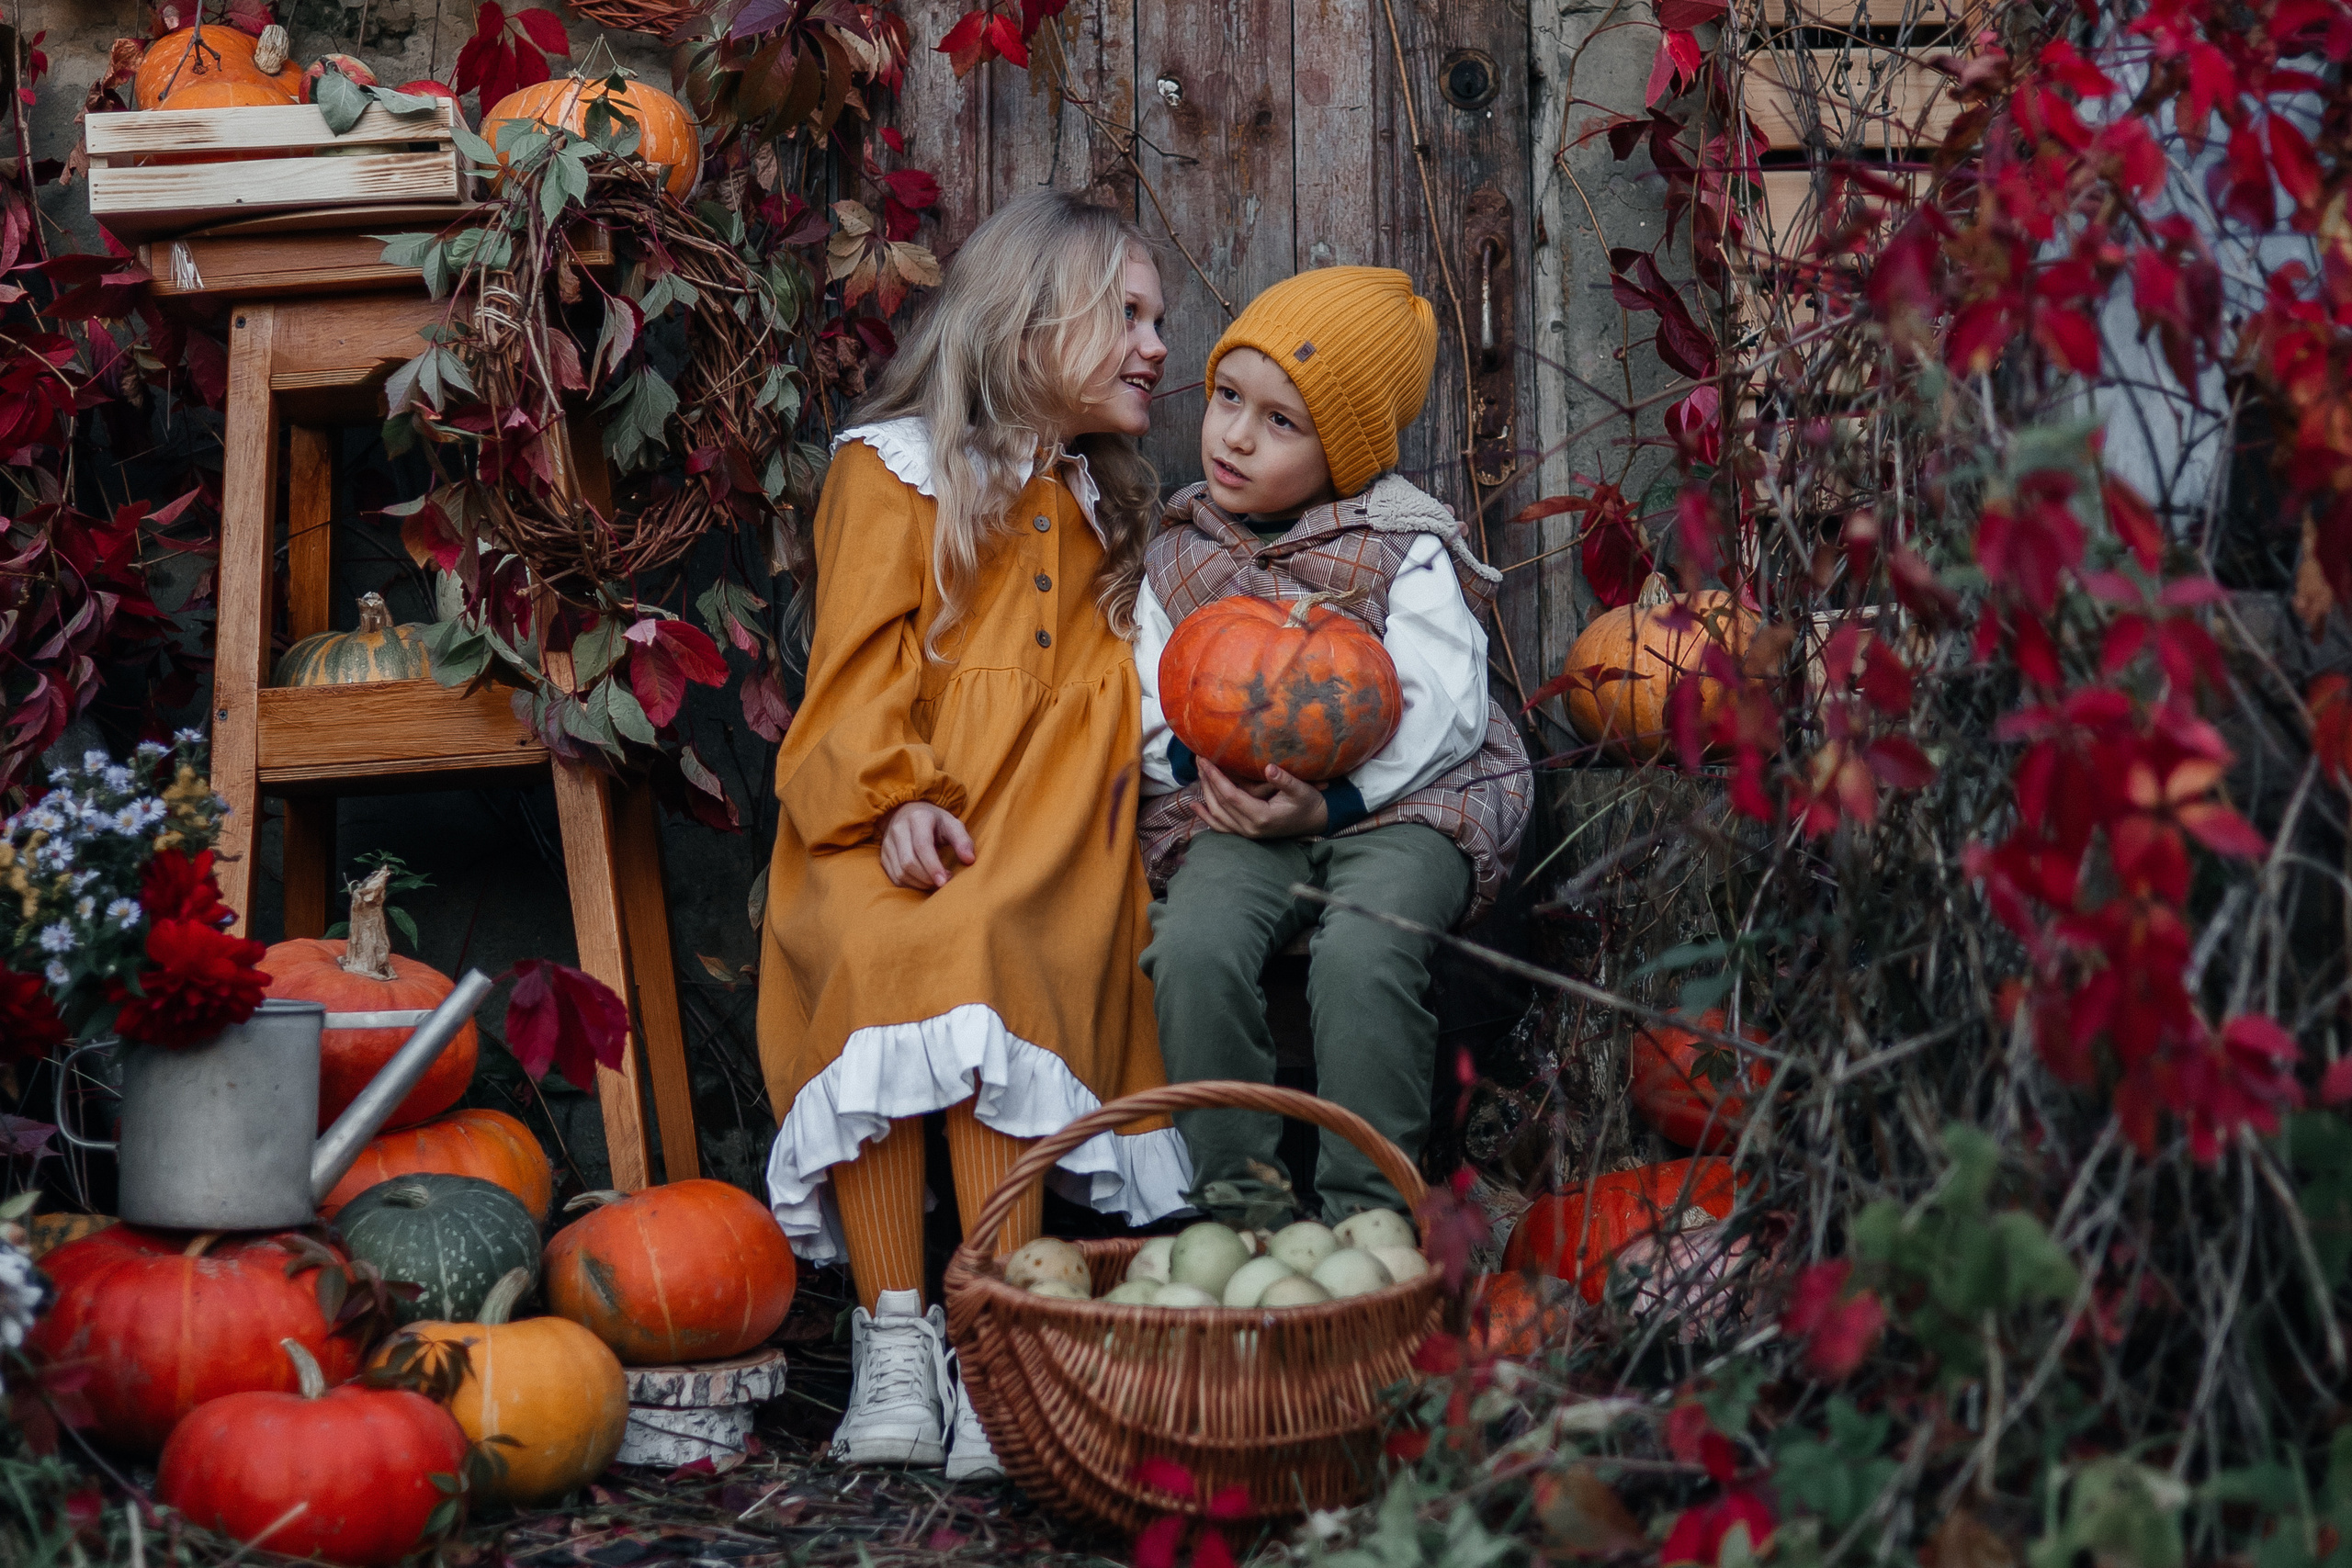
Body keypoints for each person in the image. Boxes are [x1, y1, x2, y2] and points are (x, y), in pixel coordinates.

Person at [757, 191, 1193, 1477]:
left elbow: (1155, 681)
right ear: (1028, 315)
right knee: (899, 956)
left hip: (1048, 835)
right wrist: (894, 797)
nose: (1156, 344)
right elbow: (850, 673)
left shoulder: (1108, 508)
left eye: (1158, 320)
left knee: (997, 940)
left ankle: (990, 1326)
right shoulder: (892, 467)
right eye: (1127, 314)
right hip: (889, 818)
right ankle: (898, 1330)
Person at [1135, 266, 1533, 1230]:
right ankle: (1241, 1212)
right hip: (1238, 808)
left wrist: (1338, 806)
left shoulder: (1401, 543)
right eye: (1229, 397)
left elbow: (1442, 709)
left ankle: (1371, 1216)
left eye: (1282, 422)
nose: (1235, 435)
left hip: (1399, 808)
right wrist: (1205, 772)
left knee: (1365, 950)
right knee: (1191, 948)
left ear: (1343, 453)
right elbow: (1152, 697)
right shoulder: (1178, 550)